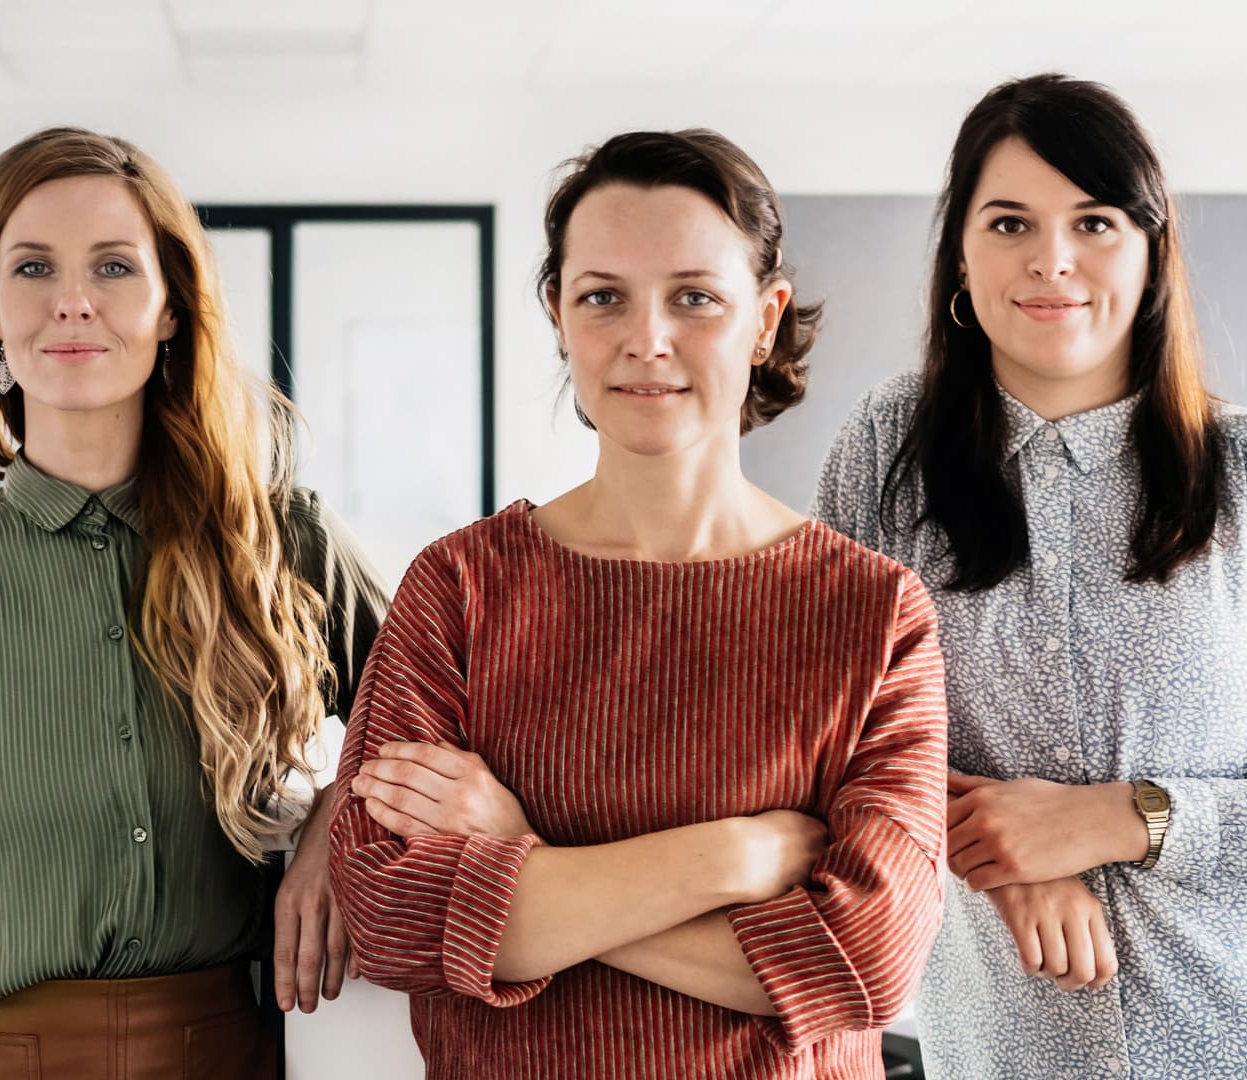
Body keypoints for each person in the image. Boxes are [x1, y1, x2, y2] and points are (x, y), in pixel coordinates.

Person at [812, 74, 1247, 1078]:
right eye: (1009, 223)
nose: (1052, 260)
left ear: (1152, 250)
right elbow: (819, 742)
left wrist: (1126, 818)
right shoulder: (883, 460)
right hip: (1022, 1055)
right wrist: (993, 853)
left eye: (1095, 220)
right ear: (960, 250)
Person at [0, 127, 386, 1080]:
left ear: (172, 308)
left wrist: (340, 821)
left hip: (214, 1054)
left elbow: (447, 705)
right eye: (35, 266)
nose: (73, 301)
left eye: (115, 266)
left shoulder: (284, 543)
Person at [325, 129, 950, 1079]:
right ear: (558, 315)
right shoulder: (458, 588)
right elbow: (390, 914)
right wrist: (733, 859)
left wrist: (515, 855)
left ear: (767, 316)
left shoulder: (874, 612)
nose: (644, 340)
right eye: (603, 296)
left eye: (694, 298)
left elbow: (868, 961)